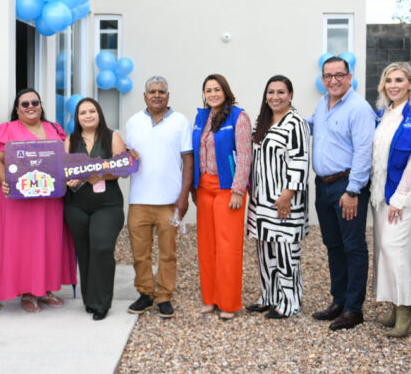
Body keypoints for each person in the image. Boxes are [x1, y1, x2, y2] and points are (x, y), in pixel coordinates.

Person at [0, 88, 76, 312]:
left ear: (41, 105)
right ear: (17, 109)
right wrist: (5, 180)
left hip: (49, 200)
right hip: (19, 201)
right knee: (23, 245)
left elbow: (65, 158)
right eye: (24, 104)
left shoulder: (54, 128)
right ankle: (27, 292)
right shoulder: (7, 129)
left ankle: (45, 289)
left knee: (48, 242)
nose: (30, 107)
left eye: (34, 102)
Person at [310, 55, 375, 331]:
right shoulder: (322, 103)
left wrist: (353, 190)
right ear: (322, 79)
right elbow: (311, 125)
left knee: (353, 246)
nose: (333, 81)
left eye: (339, 75)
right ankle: (338, 300)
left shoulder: (359, 108)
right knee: (333, 245)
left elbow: (363, 151)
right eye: (328, 76)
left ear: (349, 77)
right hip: (323, 185)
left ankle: (353, 309)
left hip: (347, 186)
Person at [370, 61, 411, 338]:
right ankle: (395, 306)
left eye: (399, 80)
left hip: (402, 197)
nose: (393, 85)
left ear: (410, 84)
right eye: (389, 80)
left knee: (397, 251)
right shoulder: (383, 114)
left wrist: (399, 197)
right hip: (380, 194)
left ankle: (406, 311)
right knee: (384, 251)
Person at [125, 75, 193, 319]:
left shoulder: (180, 122)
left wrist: (183, 197)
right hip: (139, 201)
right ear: (145, 96)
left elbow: (188, 162)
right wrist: (126, 155)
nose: (156, 95)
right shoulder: (133, 122)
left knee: (168, 253)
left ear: (168, 96)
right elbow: (127, 158)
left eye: (161, 91)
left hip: (169, 202)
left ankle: (164, 296)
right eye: (152, 91)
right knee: (140, 253)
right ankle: (145, 293)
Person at [246, 74, 310, 319]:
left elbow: (300, 160)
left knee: (285, 251)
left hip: (284, 199)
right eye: (271, 92)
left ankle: (290, 303)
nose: (275, 97)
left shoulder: (295, 122)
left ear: (290, 95)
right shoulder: (262, 121)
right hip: (261, 200)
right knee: (266, 252)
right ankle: (269, 297)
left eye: (281, 92)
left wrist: (287, 194)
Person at [191, 73, 252, 319]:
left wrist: (238, 190)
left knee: (228, 247)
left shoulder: (239, 116)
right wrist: (194, 188)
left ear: (225, 91)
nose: (213, 94)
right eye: (208, 90)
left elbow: (245, 155)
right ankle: (210, 298)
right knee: (207, 247)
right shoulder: (201, 117)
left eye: (217, 89)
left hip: (228, 188)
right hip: (204, 188)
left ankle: (228, 302)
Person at [63, 97, 129, 320]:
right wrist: (71, 177)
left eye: (92, 111)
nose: (88, 115)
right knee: (84, 252)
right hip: (76, 205)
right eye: (83, 113)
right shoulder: (70, 140)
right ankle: (90, 299)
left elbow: (122, 169)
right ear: (77, 118)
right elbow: (64, 170)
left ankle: (102, 303)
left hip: (107, 205)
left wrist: (91, 172)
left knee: (101, 248)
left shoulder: (112, 136)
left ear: (99, 113)